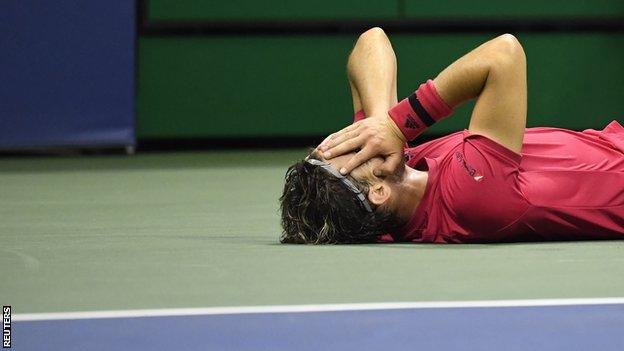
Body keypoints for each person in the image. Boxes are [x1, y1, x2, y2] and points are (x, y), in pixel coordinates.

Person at [279, 27, 624, 244]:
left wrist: (378, 122)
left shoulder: (391, 179)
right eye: (336, 153)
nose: (341, 140)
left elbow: (371, 42)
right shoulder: (468, 194)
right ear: (378, 191)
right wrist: (398, 124)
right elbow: (504, 54)